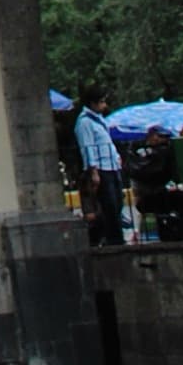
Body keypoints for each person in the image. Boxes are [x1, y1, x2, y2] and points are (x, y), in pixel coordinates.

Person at [74, 89, 126, 247]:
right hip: (101, 168)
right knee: (109, 205)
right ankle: (113, 239)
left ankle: (109, 235)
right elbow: (88, 146)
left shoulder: (99, 120)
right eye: (102, 102)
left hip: (111, 165)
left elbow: (107, 141)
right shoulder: (85, 122)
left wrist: (116, 157)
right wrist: (93, 170)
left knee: (118, 203)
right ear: (93, 103)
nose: (104, 105)